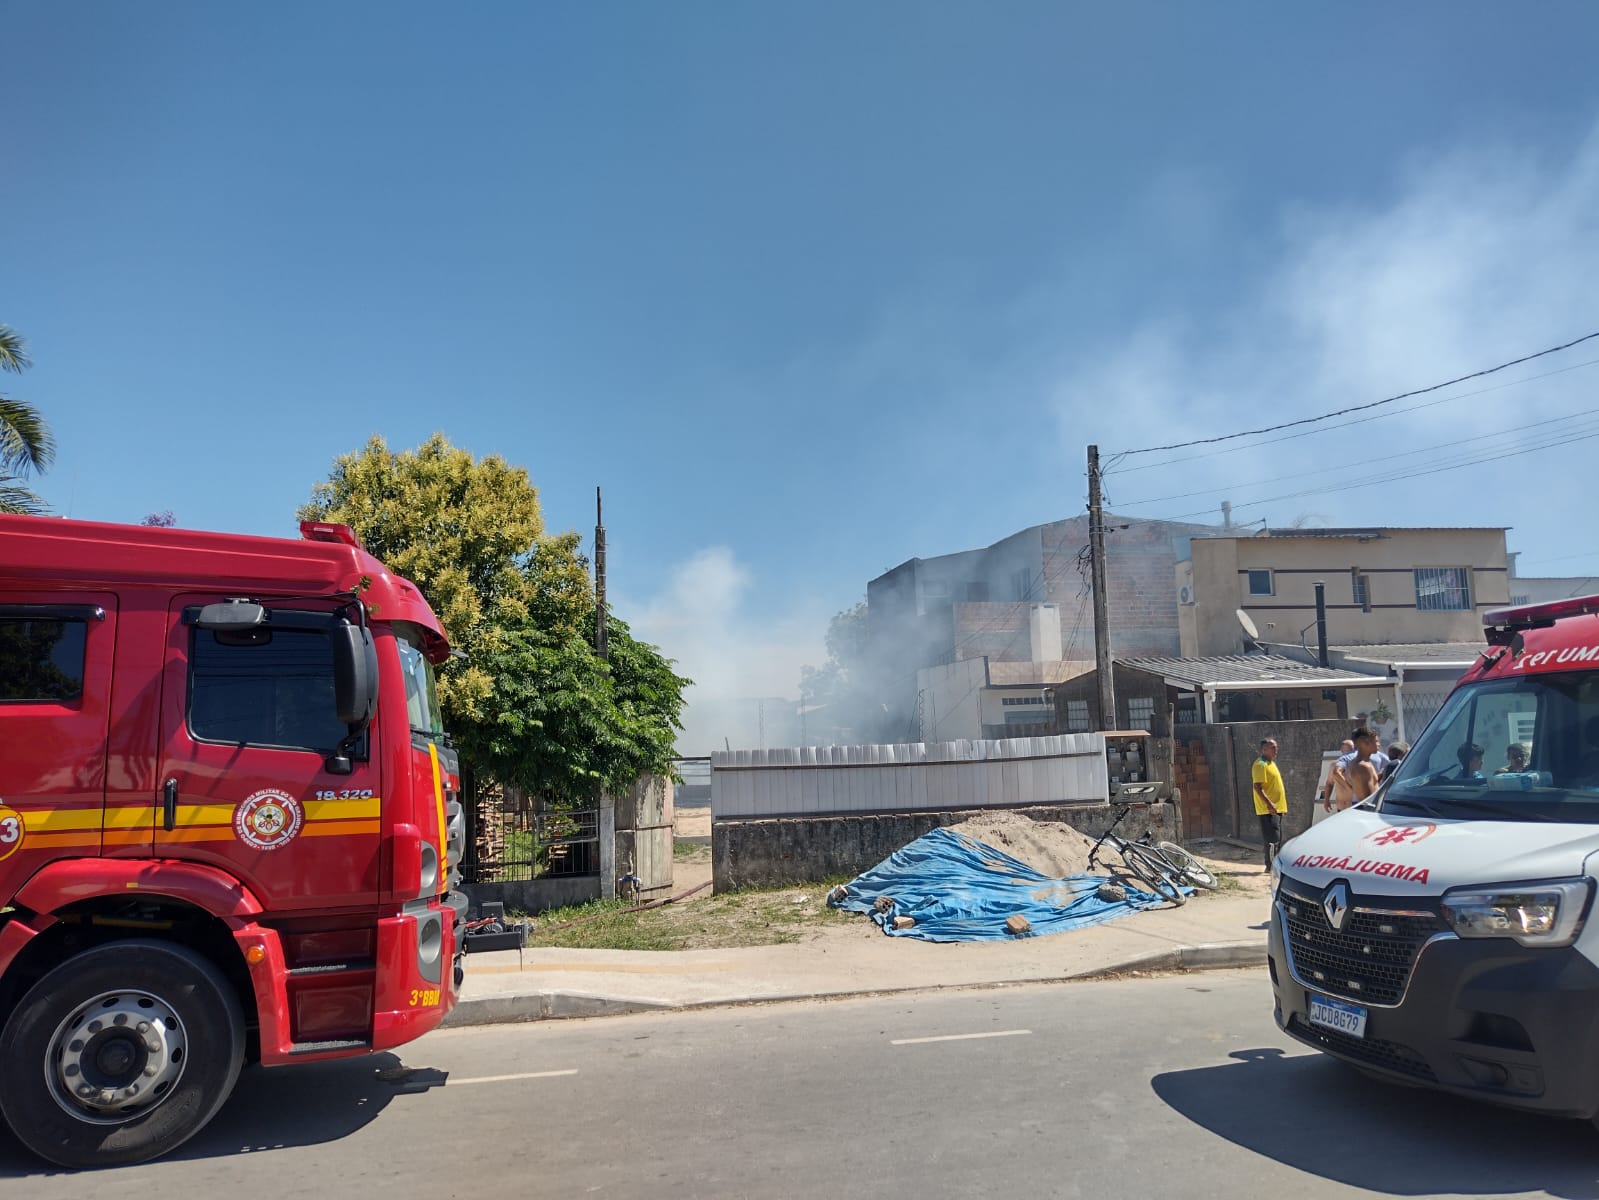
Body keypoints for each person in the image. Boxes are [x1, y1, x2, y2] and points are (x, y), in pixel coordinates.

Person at [1252, 737, 1287, 870]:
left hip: (1276, 808)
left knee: (1276, 839)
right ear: (1263, 749)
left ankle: (1273, 865)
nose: (1275, 750)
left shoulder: (1271, 763)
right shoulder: (1260, 764)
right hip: (1268, 810)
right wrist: (1270, 804)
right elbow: (1257, 787)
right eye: (1272, 747)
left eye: (1276, 747)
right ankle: (1271, 866)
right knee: (1273, 840)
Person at [1334, 727, 1389, 805]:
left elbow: (1369, 783)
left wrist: (1382, 774)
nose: (1378, 744)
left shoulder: (1359, 763)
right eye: (1376, 741)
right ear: (1366, 743)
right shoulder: (1363, 766)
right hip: (1369, 810)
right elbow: (1370, 799)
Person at [1319, 738, 1356, 813]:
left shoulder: (1359, 764)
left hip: (1354, 807)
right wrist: (1326, 800)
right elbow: (1329, 783)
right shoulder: (1335, 764)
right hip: (1341, 808)